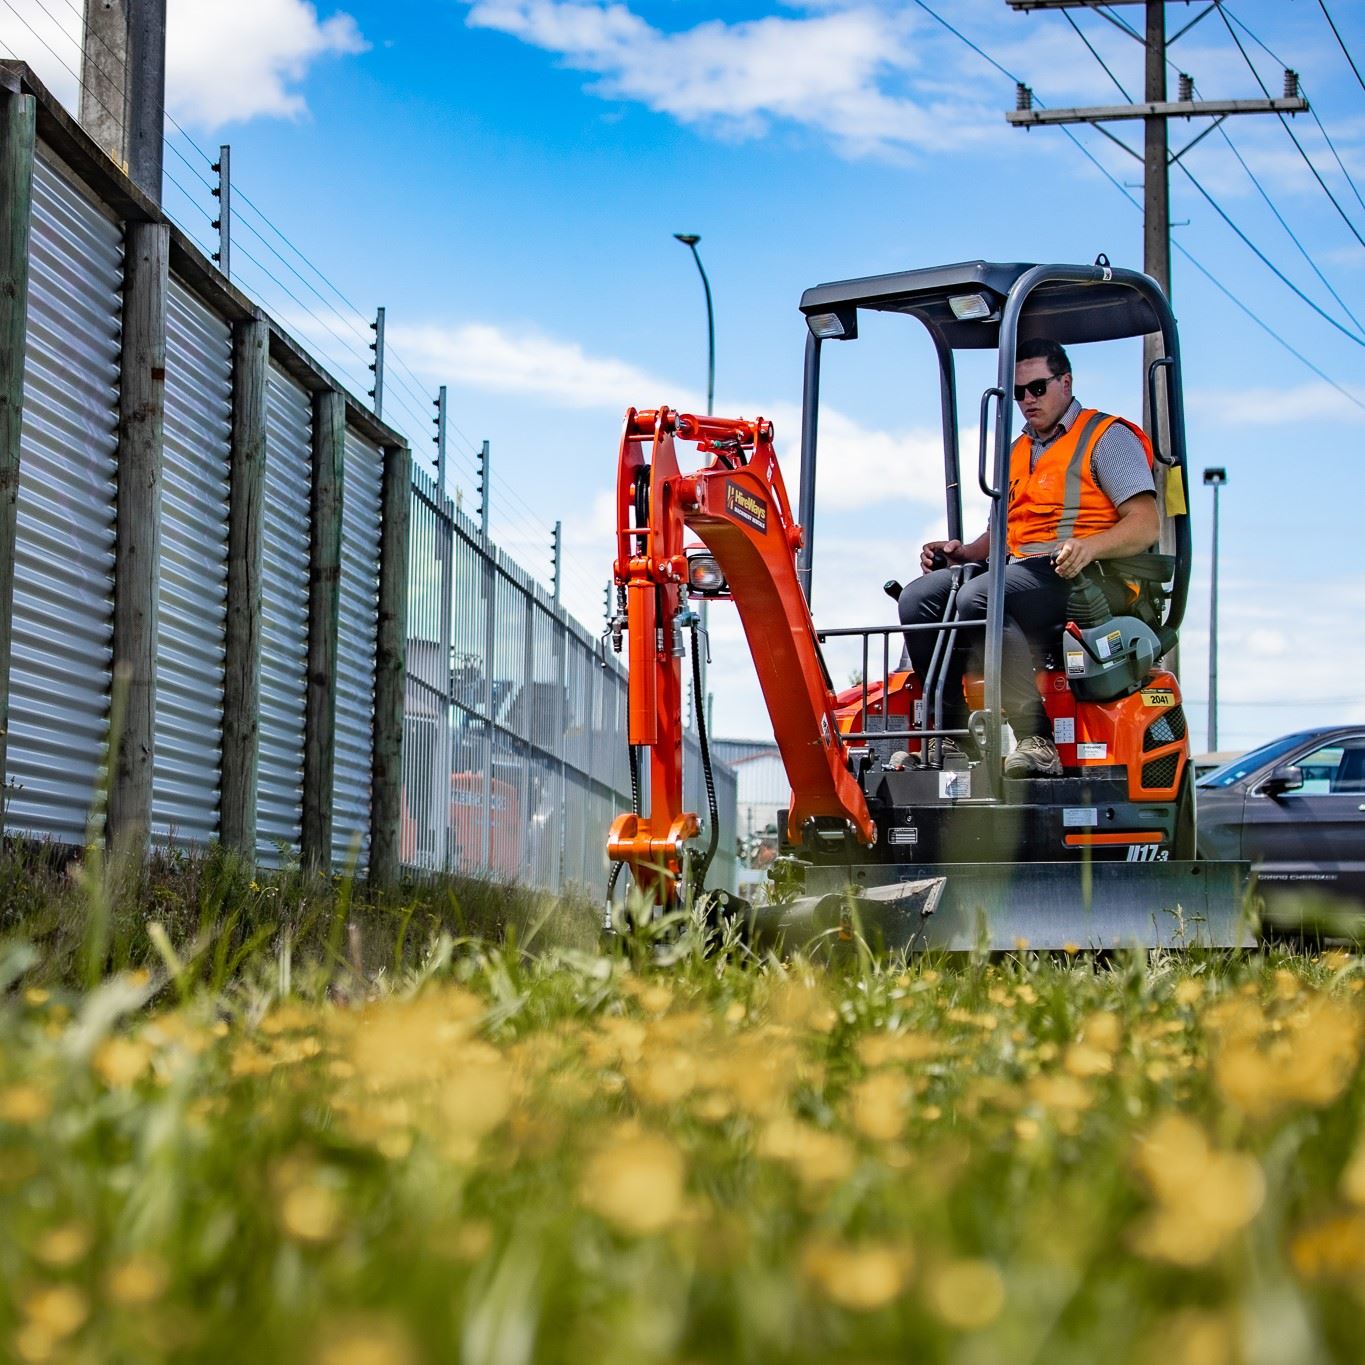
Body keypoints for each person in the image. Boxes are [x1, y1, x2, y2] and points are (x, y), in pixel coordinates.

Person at [898, 337, 1159, 777]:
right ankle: (950, 736)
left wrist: (1090, 546)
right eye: (1018, 392)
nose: (1026, 400)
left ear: (1066, 382)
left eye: (1037, 388)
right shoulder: (1018, 451)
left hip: (1092, 576)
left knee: (980, 598)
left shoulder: (1105, 437)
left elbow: (1146, 522)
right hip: (1025, 572)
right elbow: (1003, 534)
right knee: (919, 600)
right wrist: (961, 552)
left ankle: (1037, 739)